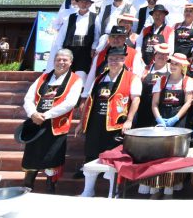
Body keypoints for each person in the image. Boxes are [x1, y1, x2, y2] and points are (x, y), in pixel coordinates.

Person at [75, 44, 141, 198]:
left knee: (113, 160)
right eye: (111, 59)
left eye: (118, 59)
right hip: (95, 124)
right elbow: (90, 99)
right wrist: (81, 122)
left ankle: (113, 193)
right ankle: (88, 190)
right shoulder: (100, 77)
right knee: (90, 157)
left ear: (124, 60)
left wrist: (129, 120)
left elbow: (135, 100)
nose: (114, 62)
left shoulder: (132, 78)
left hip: (116, 125)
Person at [21, 49, 83, 193]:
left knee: (52, 159)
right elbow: (28, 98)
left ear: (70, 62)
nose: (61, 62)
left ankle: (50, 188)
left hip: (56, 125)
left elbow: (70, 103)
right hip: (36, 122)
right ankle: (27, 186)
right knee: (32, 156)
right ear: (54, 61)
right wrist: (32, 113)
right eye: (58, 59)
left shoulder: (76, 80)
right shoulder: (42, 78)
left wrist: (46, 115)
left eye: (65, 60)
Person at [141, 53, 193, 198]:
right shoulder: (161, 80)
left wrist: (175, 118)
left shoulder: (188, 81)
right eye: (172, 63)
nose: (173, 66)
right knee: (157, 155)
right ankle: (155, 188)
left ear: (183, 66)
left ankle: (169, 189)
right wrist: (159, 119)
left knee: (173, 156)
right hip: (161, 118)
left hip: (178, 120)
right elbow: (154, 103)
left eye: (176, 64)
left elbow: (188, 102)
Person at [48, 0, 97, 80]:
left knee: (81, 73)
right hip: (69, 48)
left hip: (85, 49)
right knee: (66, 71)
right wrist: (60, 48)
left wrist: (94, 47)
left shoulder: (95, 17)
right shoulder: (70, 17)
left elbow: (97, 34)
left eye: (86, 2)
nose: (84, 4)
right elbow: (62, 33)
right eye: (82, 2)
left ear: (90, 4)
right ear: (78, 3)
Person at [134, 42, 171, 128]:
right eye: (159, 53)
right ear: (155, 54)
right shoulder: (144, 69)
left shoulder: (171, 70)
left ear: (168, 57)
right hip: (144, 107)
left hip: (162, 109)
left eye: (164, 54)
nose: (161, 56)